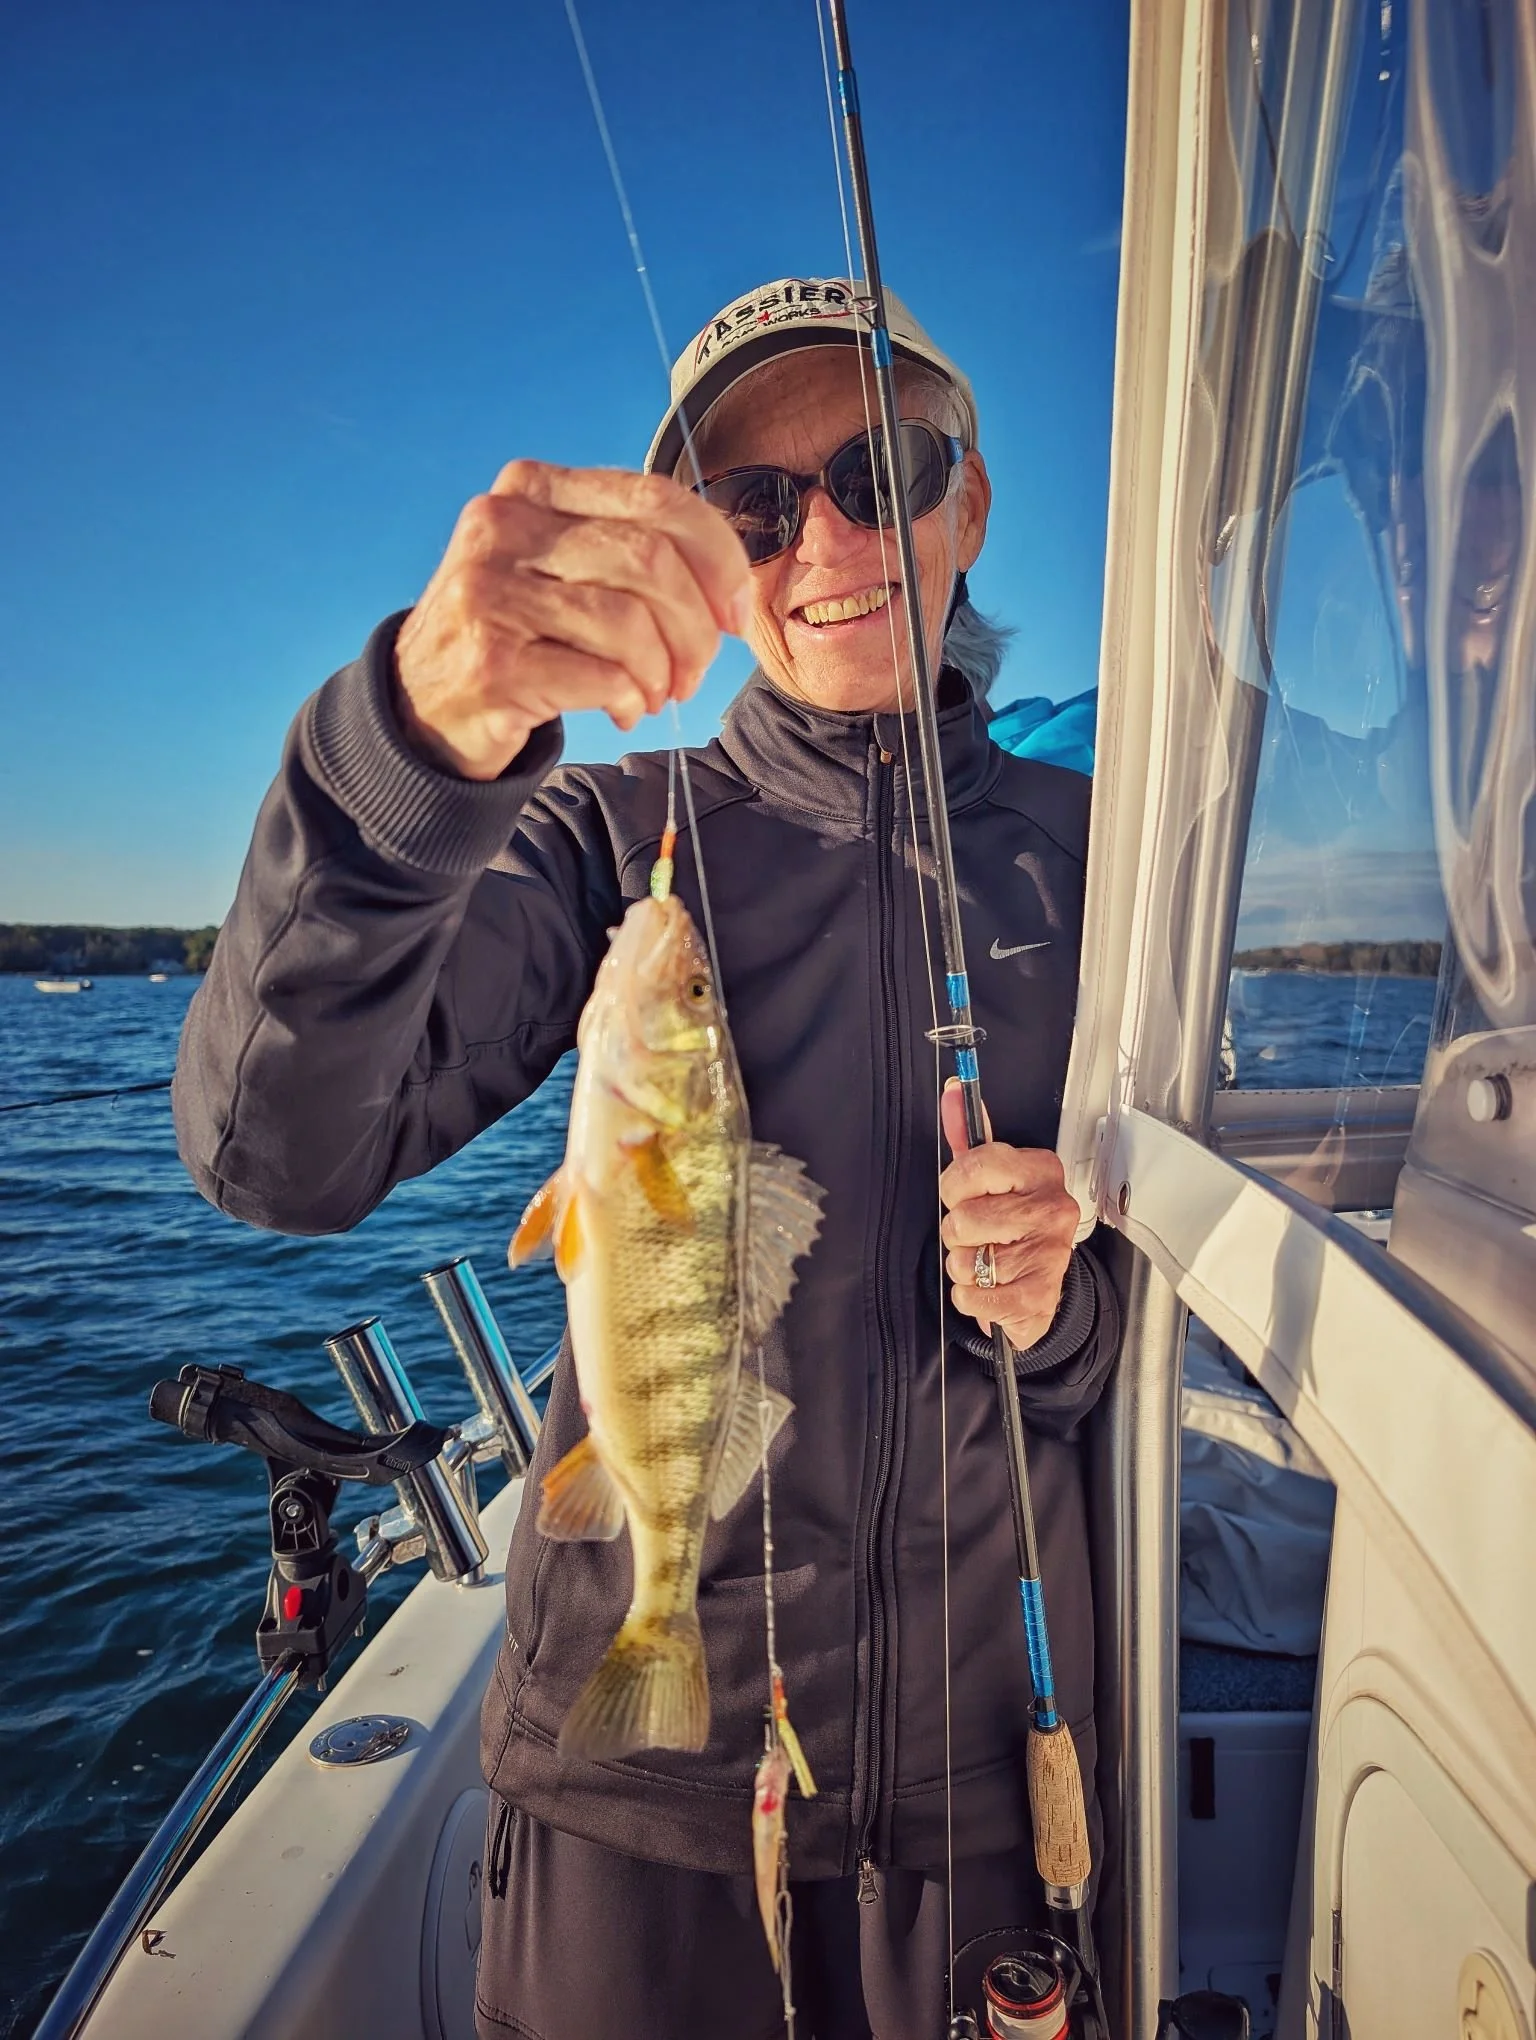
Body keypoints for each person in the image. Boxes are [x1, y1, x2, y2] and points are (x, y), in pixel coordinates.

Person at [173, 276, 1121, 2040]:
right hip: (633, 1808)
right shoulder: (602, 837)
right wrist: (406, 747)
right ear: (709, 554)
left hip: (990, 1787)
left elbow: (1152, 1316)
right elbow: (274, 1153)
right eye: (755, 506)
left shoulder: (1111, 859)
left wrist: (1061, 1311)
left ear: (971, 501)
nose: (825, 537)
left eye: (882, 469)